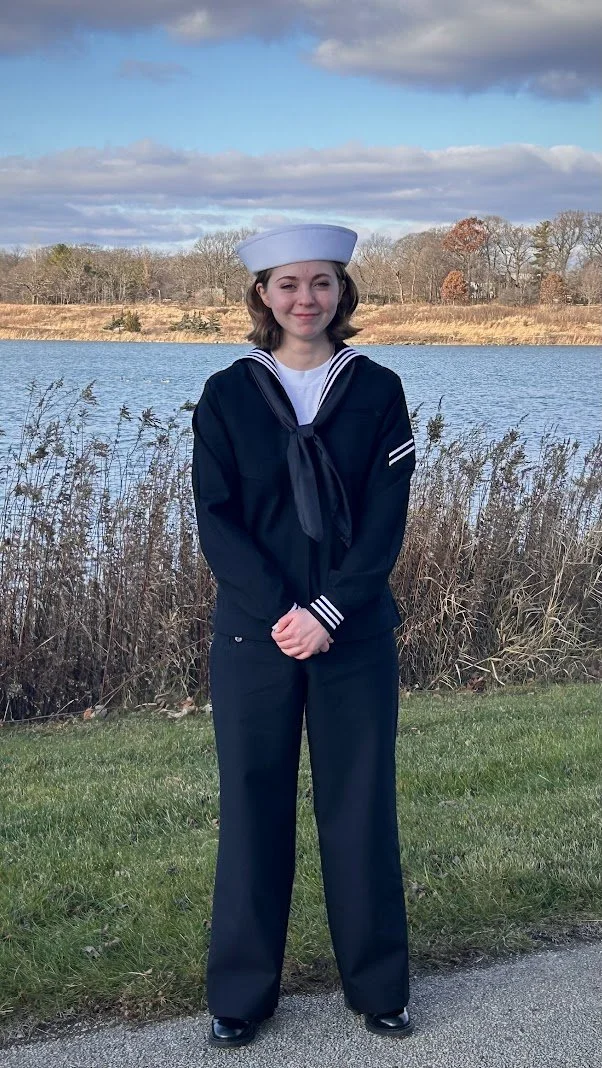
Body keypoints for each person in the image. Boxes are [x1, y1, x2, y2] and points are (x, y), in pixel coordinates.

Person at [191, 223, 416, 1049]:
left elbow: (386, 521)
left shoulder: (378, 388)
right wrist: (282, 612)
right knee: (253, 806)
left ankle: (380, 986)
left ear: (342, 291)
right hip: (255, 637)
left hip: (352, 636)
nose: (305, 299)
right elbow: (216, 520)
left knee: (360, 806)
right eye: (288, 284)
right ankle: (242, 994)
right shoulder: (226, 394)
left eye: (320, 282)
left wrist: (330, 613)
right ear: (262, 295)